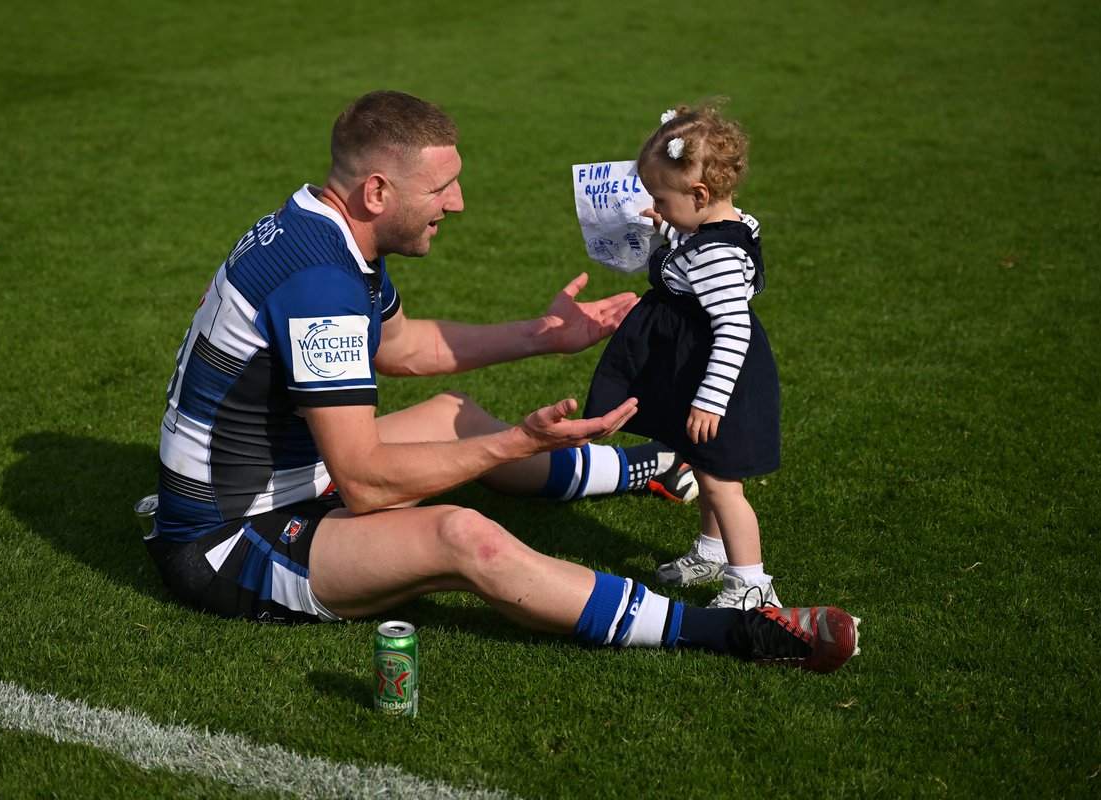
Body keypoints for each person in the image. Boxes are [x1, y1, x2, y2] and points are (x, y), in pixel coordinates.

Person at [144, 90, 860, 672]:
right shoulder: (320, 280)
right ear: (377, 190)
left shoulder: (321, 228)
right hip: (227, 544)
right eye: (442, 188)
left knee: (453, 413)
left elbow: (401, 346)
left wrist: (542, 336)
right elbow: (363, 482)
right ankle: (726, 631)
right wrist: (515, 444)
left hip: (281, 478)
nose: (456, 204)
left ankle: (643, 463)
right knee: (465, 539)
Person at [585, 103, 784, 610]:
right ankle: (712, 552)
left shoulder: (717, 253)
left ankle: (751, 585)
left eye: (661, 197)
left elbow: (733, 326)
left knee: (721, 485)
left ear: (698, 194)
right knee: (706, 465)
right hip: (701, 367)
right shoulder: (715, 228)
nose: (656, 204)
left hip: (720, 377)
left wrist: (710, 401)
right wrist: (668, 226)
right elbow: (694, 243)